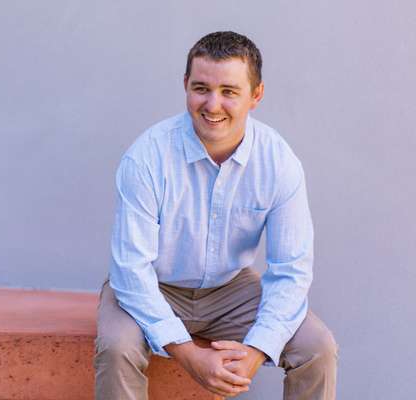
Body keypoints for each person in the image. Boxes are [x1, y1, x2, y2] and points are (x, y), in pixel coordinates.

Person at [94, 31, 338, 400]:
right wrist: (188, 354)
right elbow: (130, 269)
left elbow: (291, 270)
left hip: (231, 290)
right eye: (201, 88)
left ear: (256, 95)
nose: (212, 104)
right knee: (117, 347)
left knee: (317, 347)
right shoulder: (146, 157)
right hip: (153, 283)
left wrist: (257, 350)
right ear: (185, 86)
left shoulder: (279, 162)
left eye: (229, 91)